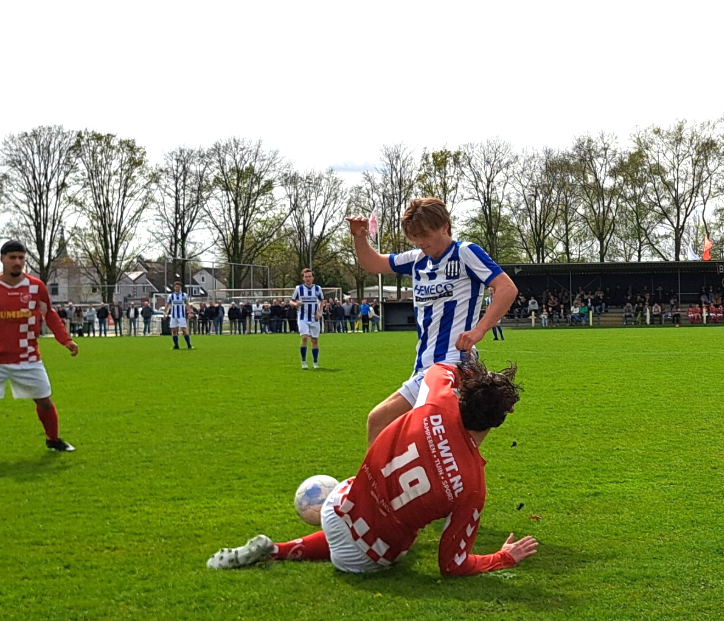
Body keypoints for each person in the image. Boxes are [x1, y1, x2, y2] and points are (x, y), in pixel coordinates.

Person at [207, 358, 538, 576]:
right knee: (387, 536)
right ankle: (284, 549)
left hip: (337, 508)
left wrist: (470, 374)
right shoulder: (472, 485)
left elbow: (440, 368)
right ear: (502, 418)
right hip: (366, 556)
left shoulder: (437, 401)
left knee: (361, 506)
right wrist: (503, 557)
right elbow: (452, 565)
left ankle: (277, 550)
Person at [347, 197, 516, 445]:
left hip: (450, 363)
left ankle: (375, 475)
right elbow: (374, 263)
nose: (420, 242)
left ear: (444, 226)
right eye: (414, 236)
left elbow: (507, 288)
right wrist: (359, 237)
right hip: (425, 364)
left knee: (379, 420)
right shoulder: (417, 259)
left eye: (424, 234)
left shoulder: (465, 253)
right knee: (440, 439)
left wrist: (479, 330)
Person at [0, 240, 78, 461]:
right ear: (2, 259)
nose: (17, 262)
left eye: (21, 258)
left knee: (45, 402)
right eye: (12, 258)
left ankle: (53, 439)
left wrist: (65, 340)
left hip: (28, 357)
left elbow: (49, 315)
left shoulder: (36, 287)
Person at [290, 268, 325, 370]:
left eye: (309, 276)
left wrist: (320, 312)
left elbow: (322, 301)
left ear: (313, 278)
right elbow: (291, 301)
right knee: (305, 337)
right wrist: (296, 304)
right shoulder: (299, 288)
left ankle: (315, 362)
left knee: (314, 340)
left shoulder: (318, 288)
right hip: (303, 317)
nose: (308, 278)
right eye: (306, 277)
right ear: (303, 278)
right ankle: (304, 361)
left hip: (314, 318)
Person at [165, 282, 193, 349]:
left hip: (181, 316)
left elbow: (187, 304)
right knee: (174, 331)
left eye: (178, 287)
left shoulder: (184, 295)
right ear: (174, 288)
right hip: (173, 316)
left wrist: (189, 313)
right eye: (176, 287)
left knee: (184, 330)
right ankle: (176, 345)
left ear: (180, 287)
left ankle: (189, 345)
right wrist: (165, 313)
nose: (177, 288)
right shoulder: (171, 296)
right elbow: (168, 305)